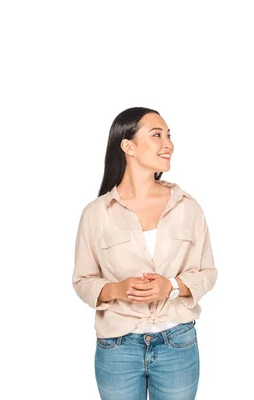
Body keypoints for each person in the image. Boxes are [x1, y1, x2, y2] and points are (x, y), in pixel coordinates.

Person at [73, 107, 217, 400]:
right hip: (117, 347)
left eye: (168, 135)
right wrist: (117, 290)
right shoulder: (96, 213)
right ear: (128, 146)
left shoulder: (187, 206)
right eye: (156, 135)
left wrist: (171, 287)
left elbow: (207, 272)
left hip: (177, 342)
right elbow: (82, 280)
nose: (168, 144)